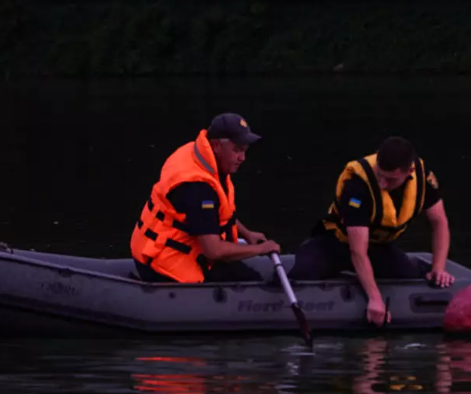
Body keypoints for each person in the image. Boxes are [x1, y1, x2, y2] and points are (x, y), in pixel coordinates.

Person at [290, 136, 453, 325]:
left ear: (410, 171)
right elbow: (357, 251)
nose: (383, 184)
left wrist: (439, 268)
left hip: (378, 247)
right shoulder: (357, 184)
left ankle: (423, 270)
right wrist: (375, 299)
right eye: (380, 175)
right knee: (303, 274)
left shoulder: (423, 178)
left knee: (408, 277)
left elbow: (439, 223)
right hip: (335, 244)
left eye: (391, 179)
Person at [130, 112, 280, 283]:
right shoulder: (199, 189)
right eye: (237, 150)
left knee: (244, 272)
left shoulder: (199, 156)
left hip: (162, 249)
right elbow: (213, 251)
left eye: (245, 151)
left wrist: (246, 234)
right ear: (216, 146)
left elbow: (217, 213)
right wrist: (261, 249)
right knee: (253, 281)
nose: (242, 158)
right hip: (165, 263)